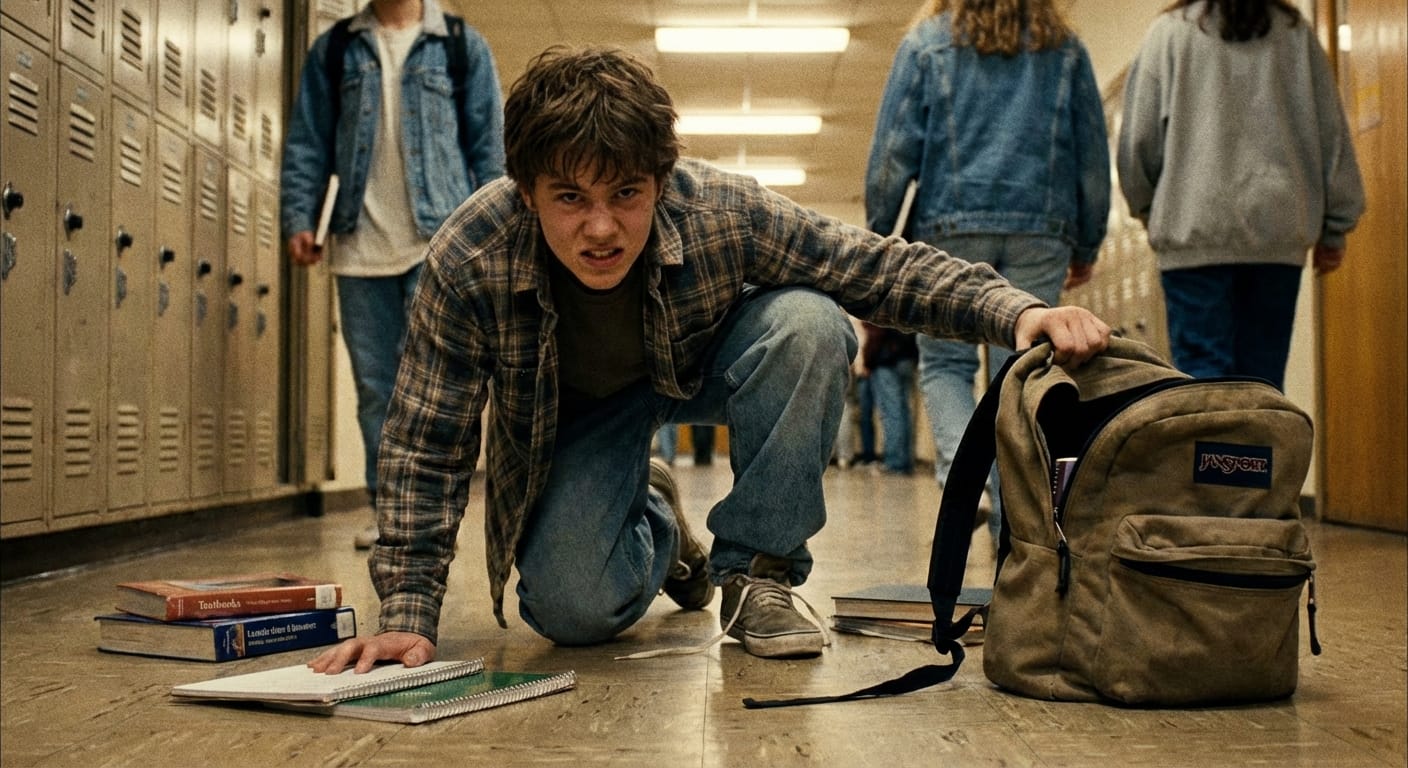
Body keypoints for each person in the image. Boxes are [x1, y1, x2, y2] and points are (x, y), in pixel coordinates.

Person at [310, 45, 1110, 675]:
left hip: (704, 368)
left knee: (810, 321)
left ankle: (757, 575)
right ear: (525, 191)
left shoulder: (721, 209)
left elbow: (873, 266)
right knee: (571, 614)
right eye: (569, 199)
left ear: (661, 181)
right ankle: (659, 519)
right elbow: (426, 440)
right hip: (580, 413)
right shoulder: (473, 255)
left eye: (626, 194)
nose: (601, 229)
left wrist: (1019, 310)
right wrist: (408, 617)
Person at [864, 0, 1110, 543]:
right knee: (1019, 372)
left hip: (950, 223)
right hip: (1041, 226)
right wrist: (1088, 238)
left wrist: (880, 235)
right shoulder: (1064, 48)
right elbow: (1092, 156)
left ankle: (963, 481)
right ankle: (1013, 520)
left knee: (945, 364)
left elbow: (892, 154)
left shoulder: (927, 43)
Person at [280, 0, 506, 549]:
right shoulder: (335, 49)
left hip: (439, 245)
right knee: (376, 389)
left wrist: (497, 235)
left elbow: (489, 149)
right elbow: (307, 143)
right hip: (360, 246)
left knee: (439, 389)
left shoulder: (459, 44)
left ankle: (433, 512)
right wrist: (299, 216)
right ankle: (391, 515)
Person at [1117, 0, 1365, 390]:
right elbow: (1331, 137)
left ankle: (1214, 453)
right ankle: (1258, 452)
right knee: (1262, 386)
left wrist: (1150, 209)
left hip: (1192, 234)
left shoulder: (1169, 33)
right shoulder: (1295, 34)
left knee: (1203, 384)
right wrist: (1335, 227)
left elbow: (1138, 143)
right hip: (1276, 237)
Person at [860, 321, 918, 475]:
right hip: (907, 358)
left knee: (891, 413)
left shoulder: (883, 305)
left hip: (886, 360)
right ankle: (906, 462)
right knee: (905, 412)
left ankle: (895, 463)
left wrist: (868, 361)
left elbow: (876, 333)